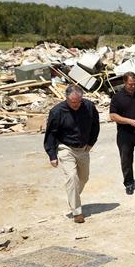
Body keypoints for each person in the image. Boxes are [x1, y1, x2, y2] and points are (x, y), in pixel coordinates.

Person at [44, 85, 100, 223]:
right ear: (66, 98)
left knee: (84, 178)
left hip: (83, 149)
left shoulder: (89, 107)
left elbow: (95, 125)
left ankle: (72, 195)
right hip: (65, 148)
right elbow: (50, 134)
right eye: (72, 102)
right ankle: (77, 212)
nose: (75, 105)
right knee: (72, 177)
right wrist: (52, 155)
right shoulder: (57, 112)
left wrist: (91, 143)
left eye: (78, 102)